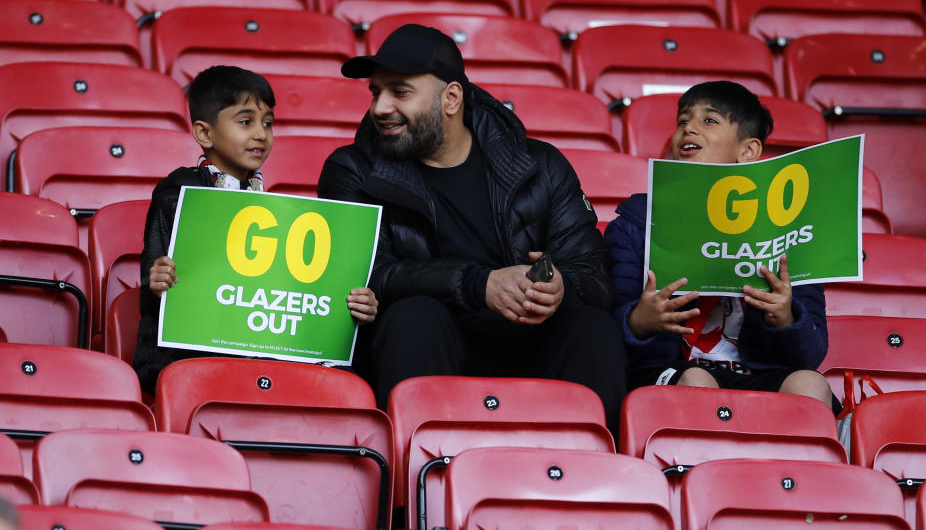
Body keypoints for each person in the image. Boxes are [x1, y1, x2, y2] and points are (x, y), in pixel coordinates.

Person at [317, 24, 627, 428]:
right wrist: (481, 285)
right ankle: (414, 480)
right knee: (415, 318)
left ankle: (595, 479)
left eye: (400, 91)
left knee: (591, 327)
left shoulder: (541, 166)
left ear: (451, 98)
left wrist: (560, 287)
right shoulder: (352, 170)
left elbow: (596, 277)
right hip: (426, 345)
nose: (379, 107)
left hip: (527, 341)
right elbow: (367, 274)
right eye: (376, 92)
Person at [133, 65, 378, 394]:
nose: (261, 134)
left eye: (268, 123)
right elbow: (154, 281)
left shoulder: (274, 209)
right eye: (245, 121)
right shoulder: (180, 191)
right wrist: (158, 280)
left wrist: (351, 304)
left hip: (256, 352)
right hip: (185, 355)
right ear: (205, 133)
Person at [604, 81, 834, 409]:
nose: (689, 128)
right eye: (683, 121)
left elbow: (811, 353)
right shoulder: (637, 222)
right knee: (698, 381)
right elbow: (606, 330)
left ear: (748, 151)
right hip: (673, 371)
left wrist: (784, 317)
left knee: (810, 384)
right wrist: (640, 321)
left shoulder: (790, 227)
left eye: (709, 121)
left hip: (758, 372)